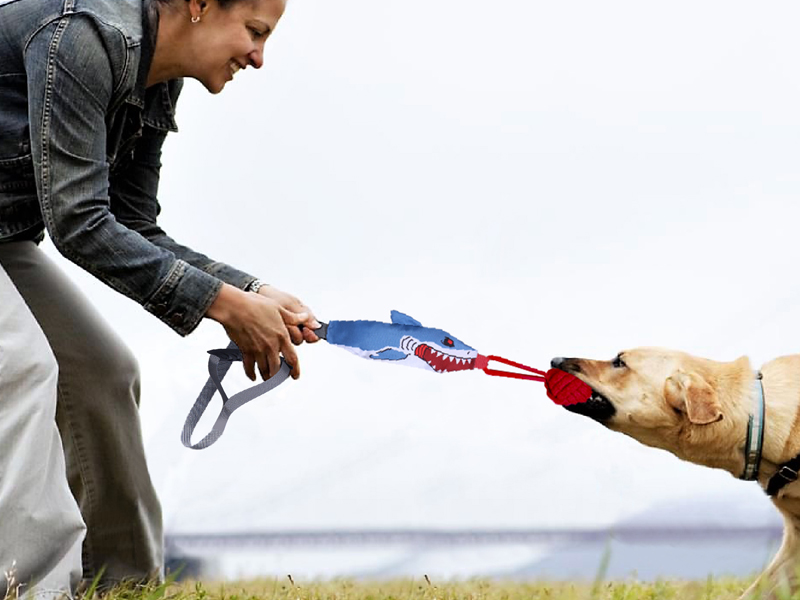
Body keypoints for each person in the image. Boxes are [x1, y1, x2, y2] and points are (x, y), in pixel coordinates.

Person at [0, 0, 319, 596]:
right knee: (23, 367)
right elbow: (78, 224)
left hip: (4, 237)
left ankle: (125, 588)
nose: (259, 57)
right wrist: (223, 306)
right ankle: (20, 586)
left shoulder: (157, 81)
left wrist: (250, 291)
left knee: (102, 371)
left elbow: (130, 221)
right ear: (199, 6)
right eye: (255, 32)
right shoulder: (82, 37)